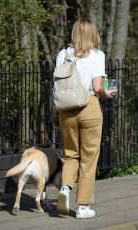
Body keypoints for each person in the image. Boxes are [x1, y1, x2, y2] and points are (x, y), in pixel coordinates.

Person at [55, 17, 117, 219]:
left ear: (74, 33)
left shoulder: (62, 55)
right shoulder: (97, 55)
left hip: (65, 110)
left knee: (71, 154)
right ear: (92, 33)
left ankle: (65, 188)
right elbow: (98, 87)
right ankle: (82, 207)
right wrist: (107, 94)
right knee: (89, 158)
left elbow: (56, 87)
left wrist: (55, 114)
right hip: (88, 107)